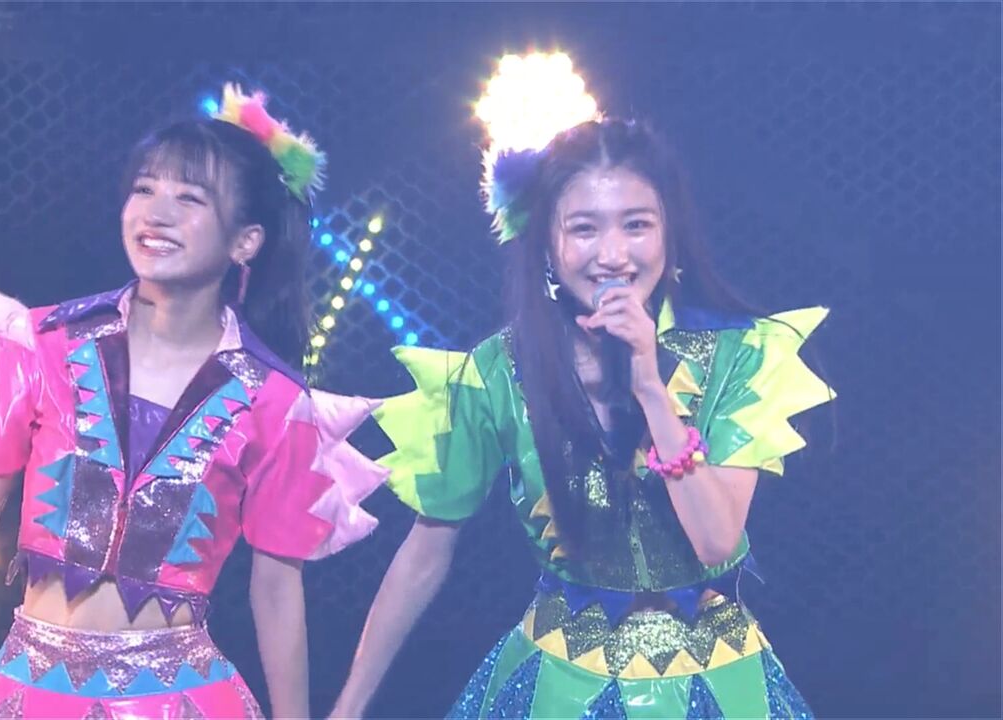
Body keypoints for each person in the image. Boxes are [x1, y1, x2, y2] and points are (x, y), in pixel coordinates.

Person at [0, 84, 388, 719]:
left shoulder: (275, 401)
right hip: (26, 694)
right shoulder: (41, 344)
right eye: (145, 189)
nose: (156, 213)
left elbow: (275, 586)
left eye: (190, 198)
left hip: (177, 699)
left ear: (246, 241)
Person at [331, 117, 834, 718]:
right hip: (557, 684)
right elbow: (426, 550)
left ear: (670, 234)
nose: (613, 255)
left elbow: (716, 540)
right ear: (547, 243)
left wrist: (651, 389)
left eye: (637, 225)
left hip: (719, 682)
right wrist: (348, 707)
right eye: (585, 229)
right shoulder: (496, 373)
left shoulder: (739, 355)